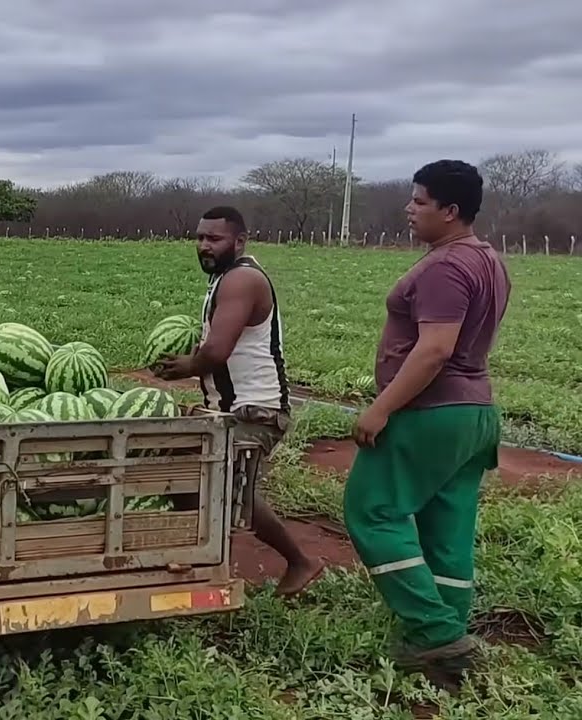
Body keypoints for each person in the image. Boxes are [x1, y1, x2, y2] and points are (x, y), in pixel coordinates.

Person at [343, 160, 510, 691]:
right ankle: (443, 651)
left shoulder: (445, 266)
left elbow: (435, 349)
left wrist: (382, 407)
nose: (409, 209)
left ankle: (437, 632)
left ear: (450, 210)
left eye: (419, 201)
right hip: (474, 414)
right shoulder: (489, 260)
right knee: (447, 530)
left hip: (430, 412)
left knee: (372, 511)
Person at [151, 205, 324, 597]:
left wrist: (184, 366)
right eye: (199, 238)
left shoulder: (242, 280)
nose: (203, 246)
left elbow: (215, 353)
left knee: (226, 488)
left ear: (240, 240)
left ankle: (299, 561)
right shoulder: (225, 278)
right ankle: (194, 557)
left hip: (255, 410)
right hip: (226, 411)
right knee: (192, 480)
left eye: (214, 239)